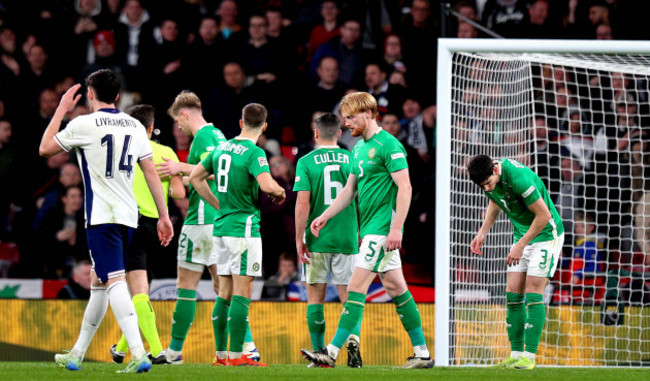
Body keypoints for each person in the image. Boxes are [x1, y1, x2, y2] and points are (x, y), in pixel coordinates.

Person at [39, 68, 173, 373]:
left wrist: (61, 109)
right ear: (117, 96)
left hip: (102, 216)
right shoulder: (135, 126)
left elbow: (45, 149)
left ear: (90, 94)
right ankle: (76, 354)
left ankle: (139, 354)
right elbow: (151, 172)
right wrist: (164, 215)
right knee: (98, 281)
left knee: (114, 280)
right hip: (129, 217)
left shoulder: (83, 123)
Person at [301, 92, 432, 369]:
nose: (346, 123)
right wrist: (324, 215)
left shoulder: (389, 145)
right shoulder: (358, 149)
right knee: (397, 289)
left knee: (356, 287)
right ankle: (422, 353)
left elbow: (405, 187)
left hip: (382, 231)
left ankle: (331, 352)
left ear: (368, 113)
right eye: (344, 118)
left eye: (351, 117)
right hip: (372, 230)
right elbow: (349, 190)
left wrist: (397, 228)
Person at [156, 91, 259, 365]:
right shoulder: (220, 135)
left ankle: (175, 352)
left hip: (201, 221)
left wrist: (180, 167)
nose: (179, 127)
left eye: (178, 121)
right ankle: (247, 347)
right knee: (222, 287)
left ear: (185, 114)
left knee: (186, 286)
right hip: (218, 220)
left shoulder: (203, 137)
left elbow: (211, 173)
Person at [189, 103, 286, 367]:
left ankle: (221, 356)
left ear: (241, 122)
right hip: (243, 230)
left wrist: (217, 204)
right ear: (264, 127)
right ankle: (236, 356)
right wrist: (280, 191)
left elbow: (196, 178)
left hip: (220, 228)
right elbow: (267, 184)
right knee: (243, 292)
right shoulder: (255, 153)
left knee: (224, 292)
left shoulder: (221, 147)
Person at [467, 155, 565, 370]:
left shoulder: (519, 178)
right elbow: (495, 199)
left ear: (494, 170)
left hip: (547, 235)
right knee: (512, 294)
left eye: (488, 183)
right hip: (522, 234)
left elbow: (543, 215)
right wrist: (483, 232)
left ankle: (529, 357)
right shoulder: (490, 181)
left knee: (533, 293)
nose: (486, 188)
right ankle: (516, 354)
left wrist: (520, 245)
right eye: (482, 186)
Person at [110, 104, 186, 365]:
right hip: (158, 226)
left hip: (130, 224)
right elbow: (180, 193)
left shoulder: (120, 150)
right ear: (152, 128)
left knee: (138, 290)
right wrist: (174, 182)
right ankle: (120, 348)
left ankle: (156, 350)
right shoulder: (165, 152)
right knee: (140, 289)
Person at [293, 112, 362, 368]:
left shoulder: (306, 161)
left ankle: (319, 352)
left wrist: (300, 237)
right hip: (347, 236)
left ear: (316, 133)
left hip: (317, 237)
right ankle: (353, 341)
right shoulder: (353, 158)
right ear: (340, 133)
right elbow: (361, 198)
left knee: (315, 297)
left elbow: (302, 203)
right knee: (349, 298)